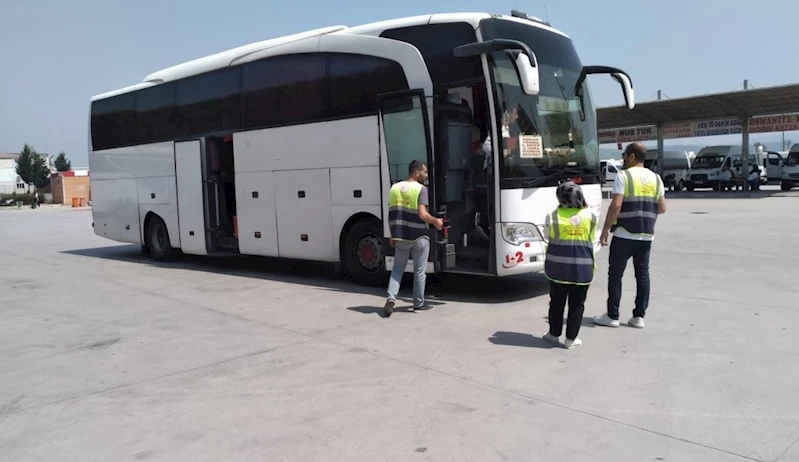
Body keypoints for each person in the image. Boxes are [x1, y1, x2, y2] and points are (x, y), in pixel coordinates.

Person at [594, 142, 667, 329]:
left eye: (624, 155)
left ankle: (612, 315)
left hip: (624, 234)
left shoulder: (623, 175)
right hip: (646, 235)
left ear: (632, 156)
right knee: (642, 275)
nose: (623, 159)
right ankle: (639, 317)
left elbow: (616, 205)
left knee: (616, 275)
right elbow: (662, 208)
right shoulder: (656, 178)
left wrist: (605, 230)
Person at [383, 160, 444, 317]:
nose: (426, 175)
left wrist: (392, 235)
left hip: (401, 236)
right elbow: (422, 214)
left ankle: (391, 298)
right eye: (424, 172)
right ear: (416, 173)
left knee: (397, 269)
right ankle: (418, 303)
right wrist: (435, 222)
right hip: (419, 236)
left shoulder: (395, 188)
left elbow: (391, 214)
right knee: (419, 271)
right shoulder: (421, 189)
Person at [542, 181, 598, 349]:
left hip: (557, 269)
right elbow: (592, 238)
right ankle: (571, 339)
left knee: (556, 302)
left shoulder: (552, 216)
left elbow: (546, 236)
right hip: (582, 268)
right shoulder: (591, 216)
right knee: (577, 304)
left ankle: (553, 334)